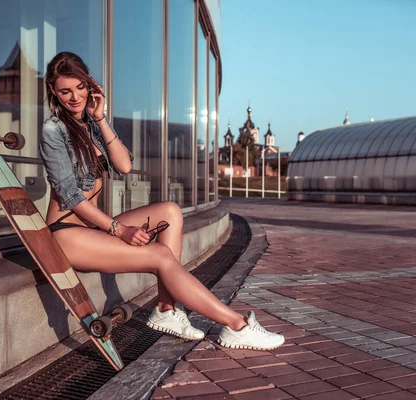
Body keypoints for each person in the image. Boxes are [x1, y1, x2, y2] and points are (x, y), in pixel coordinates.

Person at [39, 51, 284, 350]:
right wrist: (120, 229)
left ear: (90, 86)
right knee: (161, 256)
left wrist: (100, 118)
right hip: (65, 234)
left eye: (80, 88)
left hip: (90, 228)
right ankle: (236, 325)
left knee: (170, 211)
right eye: (65, 91)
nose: (75, 97)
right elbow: (71, 196)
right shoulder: (53, 130)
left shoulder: (90, 124)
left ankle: (166, 309)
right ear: (53, 90)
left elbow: (125, 165)